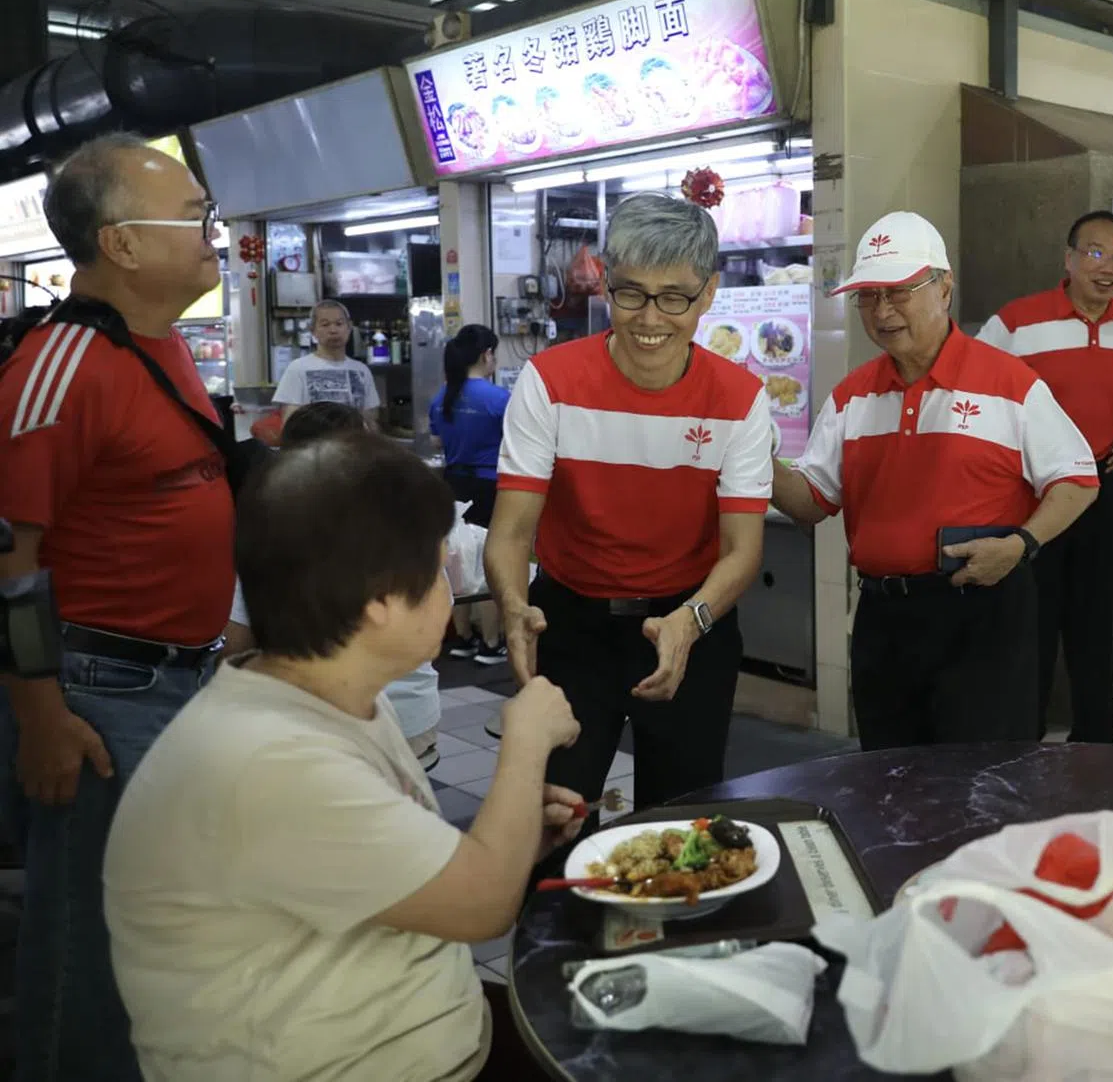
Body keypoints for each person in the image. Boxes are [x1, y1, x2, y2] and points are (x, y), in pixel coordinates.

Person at [103, 433, 584, 1082]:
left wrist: (516, 834)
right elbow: (481, 908)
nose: (451, 588)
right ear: (382, 601)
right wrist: (525, 746)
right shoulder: (267, 760)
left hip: (428, 1032)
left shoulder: (329, 692)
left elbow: (381, 862)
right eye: (442, 568)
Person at [0, 133, 234, 1081]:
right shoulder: (58, 368)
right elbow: (10, 563)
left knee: (149, 919)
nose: (211, 231)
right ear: (123, 246)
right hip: (99, 694)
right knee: (86, 936)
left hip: (177, 674)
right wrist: (42, 716)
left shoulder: (161, 345)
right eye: (192, 217)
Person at [484, 192, 771, 817]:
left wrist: (690, 622)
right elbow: (511, 532)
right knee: (553, 813)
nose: (650, 317)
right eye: (630, 292)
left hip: (688, 621)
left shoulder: (741, 398)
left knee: (683, 816)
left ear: (710, 293)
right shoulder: (550, 382)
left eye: (676, 297)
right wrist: (513, 606)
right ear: (606, 284)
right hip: (571, 623)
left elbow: (743, 550)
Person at [771, 212, 1099, 751]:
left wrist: (1022, 543)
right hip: (884, 620)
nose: (882, 311)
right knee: (890, 780)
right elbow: (810, 502)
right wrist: (754, 458)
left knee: (980, 787)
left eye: (899, 292)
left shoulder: (1010, 383)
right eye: (869, 296)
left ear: (945, 287)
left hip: (982, 613)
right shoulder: (852, 396)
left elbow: (1077, 479)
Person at [977, 212, 1113, 744]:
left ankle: (1096, 754)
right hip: (1032, 495)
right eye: (1095, 252)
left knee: (1096, 634)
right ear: (1067, 259)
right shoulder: (1018, 323)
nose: (1108, 267)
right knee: (1033, 632)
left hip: (1098, 489)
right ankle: (1025, 752)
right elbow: (972, 389)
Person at [224, 401, 443, 766]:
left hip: (325, 727)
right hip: (414, 718)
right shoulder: (409, 525)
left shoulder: (276, 538)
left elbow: (235, 645)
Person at [430, 323, 510, 665]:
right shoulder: (498, 398)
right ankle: (492, 643)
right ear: (486, 355)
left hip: (452, 484)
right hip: (490, 485)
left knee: (457, 560)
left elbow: (436, 441)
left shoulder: (441, 397)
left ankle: (463, 638)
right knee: (491, 559)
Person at [273, 299, 380, 425]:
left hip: (352, 442)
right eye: (325, 325)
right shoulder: (298, 369)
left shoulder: (361, 370)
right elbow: (290, 422)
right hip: (315, 443)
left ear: (349, 327)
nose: (333, 330)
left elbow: (370, 420)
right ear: (313, 330)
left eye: (339, 324)